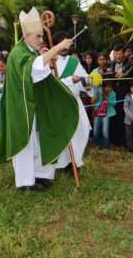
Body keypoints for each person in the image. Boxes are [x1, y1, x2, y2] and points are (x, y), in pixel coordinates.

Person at [0, 7, 78, 193]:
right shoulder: (18, 53)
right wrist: (58, 47)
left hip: (32, 105)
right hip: (21, 108)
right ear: (27, 35)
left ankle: (41, 174)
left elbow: (39, 71)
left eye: (41, 36)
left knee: (38, 140)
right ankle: (25, 183)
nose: (41, 40)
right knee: (25, 144)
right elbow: (33, 69)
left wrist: (49, 57)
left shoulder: (30, 51)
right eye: (38, 36)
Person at [52, 31, 94, 174]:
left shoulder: (74, 61)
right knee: (63, 134)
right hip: (59, 104)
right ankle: (65, 163)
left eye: (67, 42)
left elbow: (83, 78)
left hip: (75, 102)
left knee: (80, 131)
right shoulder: (50, 61)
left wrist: (87, 85)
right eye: (62, 42)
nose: (66, 46)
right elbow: (52, 84)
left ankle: (74, 161)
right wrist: (71, 80)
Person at [110, 43, 133, 147]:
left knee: (122, 116)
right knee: (114, 116)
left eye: (120, 54)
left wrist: (115, 75)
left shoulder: (128, 63)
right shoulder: (111, 64)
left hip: (124, 92)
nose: (118, 56)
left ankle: (123, 142)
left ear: (123, 54)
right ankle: (114, 141)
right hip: (113, 91)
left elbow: (127, 75)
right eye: (116, 54)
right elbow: (109, 74)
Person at [93, 81, 116, 151]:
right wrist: (96, 94)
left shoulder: (113, 93)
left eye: (110, 87)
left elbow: (115, 103)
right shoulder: (99, 90)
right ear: (104, 87)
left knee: (105, 132)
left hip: (106, 115)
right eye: (107, 87)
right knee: (95, 132)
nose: (109, 89)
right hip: (97, 114)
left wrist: (108, 100)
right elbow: (94, 99)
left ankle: (106, 147)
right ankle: (98, 144)